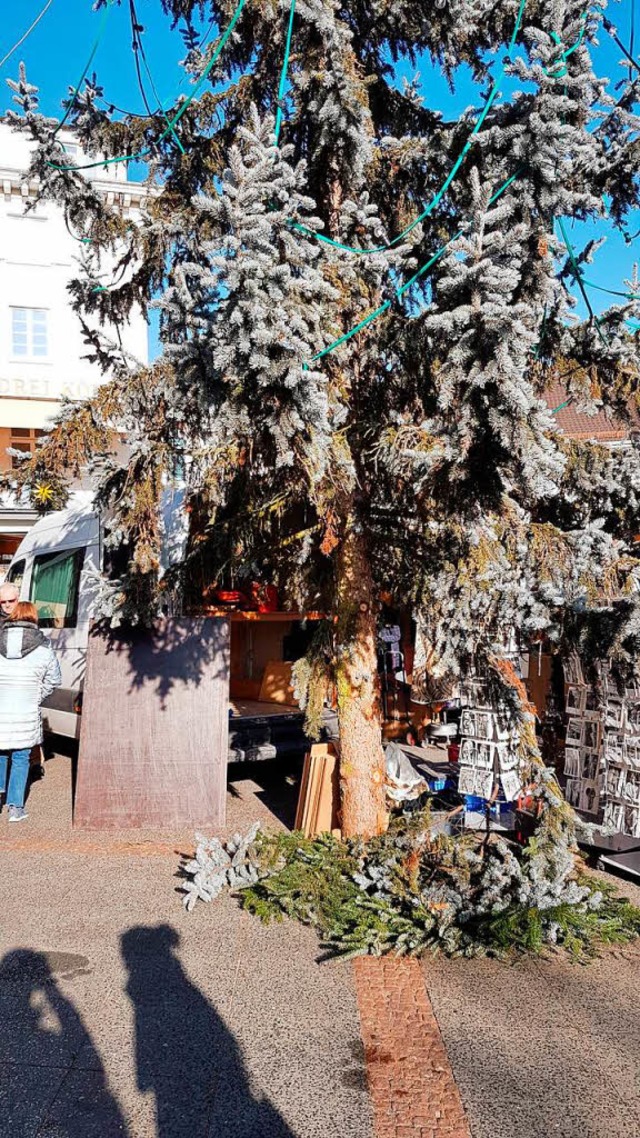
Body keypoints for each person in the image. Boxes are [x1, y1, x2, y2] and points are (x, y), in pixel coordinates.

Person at [0, 602, 61, 823]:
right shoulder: (44, 649)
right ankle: (15, 809)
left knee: (0, 753)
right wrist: (36, 695)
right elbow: (54, 680)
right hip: (26, 710)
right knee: (21, 757)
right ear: (34, 619)